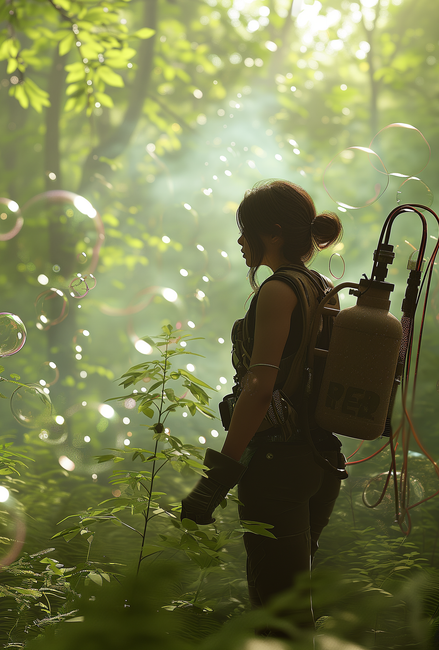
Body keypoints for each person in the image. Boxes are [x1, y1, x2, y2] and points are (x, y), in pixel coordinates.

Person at [181, 179, 346, 634]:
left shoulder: (278, 291)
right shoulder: (323, 286)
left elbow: (258, 389)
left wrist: (218, 476)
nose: (239, 240)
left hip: (278, 470)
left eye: (245, 229)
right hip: (321, 463)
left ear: (272, 232)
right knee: (294, 607)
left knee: (279, 618)